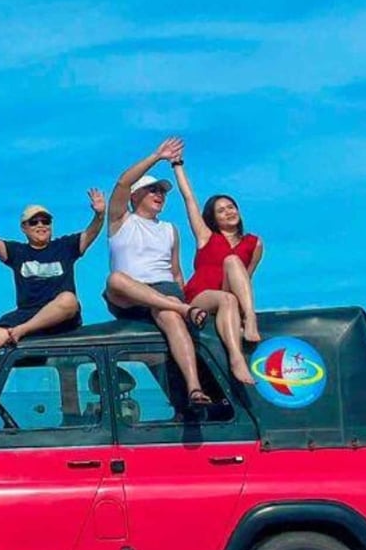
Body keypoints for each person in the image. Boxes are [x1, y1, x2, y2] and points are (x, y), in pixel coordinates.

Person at [0, 186, 106, 401]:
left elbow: (91, 233)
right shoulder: (18, 252)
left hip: (59, 319)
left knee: (68, 299)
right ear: (24, 228)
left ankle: (22, 330)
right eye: (34, 222)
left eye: (45, 221)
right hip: (28, 313)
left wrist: (99, 214)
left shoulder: (65, 246)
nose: (41, 225)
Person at [103, 137, 213, 406]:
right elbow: (122, 183)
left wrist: (181, 298)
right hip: (129, 294)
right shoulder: (121, 219)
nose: (159, 195)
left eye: (162, 192)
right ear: (135, 196)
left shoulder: (169, 229)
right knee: (115, 280)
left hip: (164, 292)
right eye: (153, 190)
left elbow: (175, 272)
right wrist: (157, 156)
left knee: (171, 316)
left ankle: (194, 389)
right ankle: (182, 309)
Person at [174, 151, 262, 383]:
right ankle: (236, 358)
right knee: (229, 278)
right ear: (213, 218)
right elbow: (189, 199)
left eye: (231, 207)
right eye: (221, 210)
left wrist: (245, 312)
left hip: (230, 295)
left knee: (233, 268)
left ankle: (249, 319)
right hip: (201, 296)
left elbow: (245, 278)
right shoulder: (206, 236)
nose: (229, 212)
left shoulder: (254, 243)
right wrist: (177, 165)